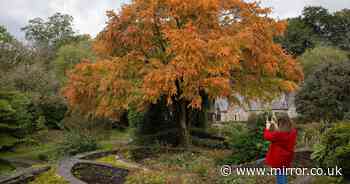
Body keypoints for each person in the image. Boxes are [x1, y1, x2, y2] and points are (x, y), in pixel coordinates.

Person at [264, 112, 297, 184]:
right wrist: (275, 125)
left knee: (280, 176)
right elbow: (279, 133)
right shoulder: (293, 131)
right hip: (287, 157)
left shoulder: (278, 134)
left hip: (279, 159)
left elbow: (267, 136)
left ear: (280, 122)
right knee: (282, 174)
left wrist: (267, 127)